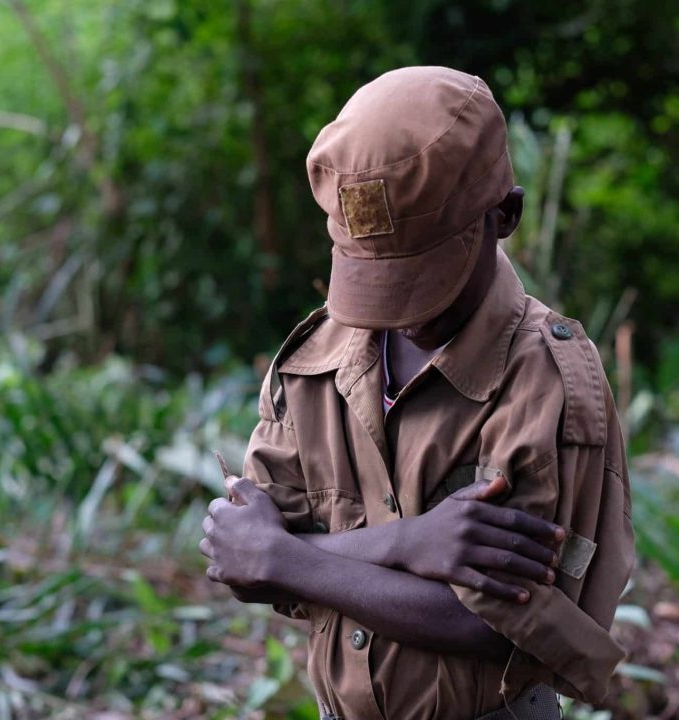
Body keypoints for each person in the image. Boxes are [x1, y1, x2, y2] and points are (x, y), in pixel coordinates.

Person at [200, 66, 634, 720]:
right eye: (373, 276)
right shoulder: (313, 362)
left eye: (425, 274)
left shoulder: (546, 378)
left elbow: (497, 625)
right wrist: (409, 545)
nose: (399, 313)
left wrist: (287, 558)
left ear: (504, 216)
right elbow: (244, 563)